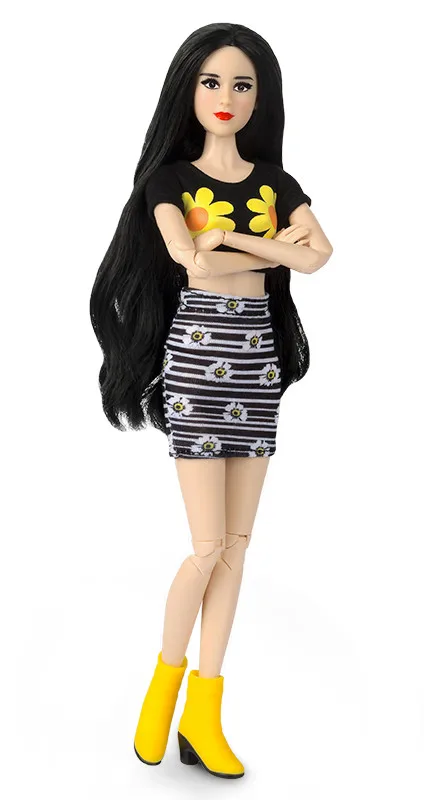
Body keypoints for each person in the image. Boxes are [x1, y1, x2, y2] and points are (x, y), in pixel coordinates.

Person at [90, 22, 333, 779]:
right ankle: (163, 686)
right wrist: (271, 247)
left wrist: (236, 240)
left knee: (237, 547)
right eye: (211, 82)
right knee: (206, 547)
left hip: (257, 364)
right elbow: (188, 260)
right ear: (188, 90)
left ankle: (205, 710)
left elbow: (319, 256)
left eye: (242, 84)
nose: (226, 97)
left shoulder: (276, 182)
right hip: (198, 360)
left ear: (261, 97)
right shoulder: (169, 182)